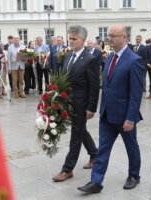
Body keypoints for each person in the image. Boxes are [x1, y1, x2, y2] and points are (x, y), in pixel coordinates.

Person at [77, 24, 144, 194]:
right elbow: (106, 86)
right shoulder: (110, 58)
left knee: (131, 146)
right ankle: (96, 182)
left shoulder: (134, 60)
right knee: (103, 149)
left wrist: (130, 118)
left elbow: (136, 94)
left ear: (124, 38)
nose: (110, 39)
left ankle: (134, 175)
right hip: (107, 114)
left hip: (124, 117)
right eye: (109, 36)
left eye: (113, 36)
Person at [52, 25, 100, 182]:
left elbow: (94, 86)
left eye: (74, 39)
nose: (71, 41)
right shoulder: (67, 56)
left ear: (83, 40)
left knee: (76, 135)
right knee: (81, 131)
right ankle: (94, 154)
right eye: (70, 38)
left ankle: (67, 169)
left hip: (82, 104)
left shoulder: (90, 59)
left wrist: (91, 108)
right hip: (68, 102)